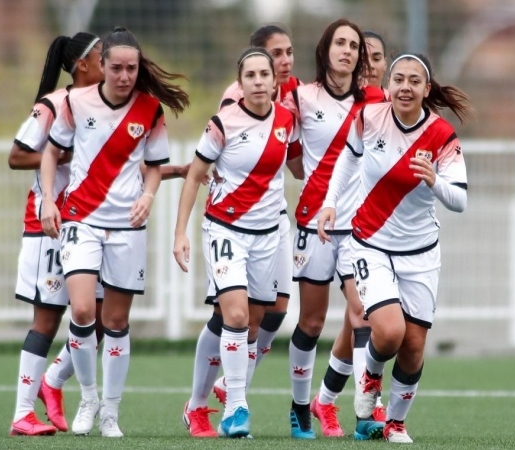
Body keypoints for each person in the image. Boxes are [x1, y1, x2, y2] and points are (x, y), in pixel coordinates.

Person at [40, 26, 190, 438]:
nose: (125, 76)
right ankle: (87, 397)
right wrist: (49, 200)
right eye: (117, 68)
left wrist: (150, 194)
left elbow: (156, 164)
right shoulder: (76, 102)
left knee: (117, 320)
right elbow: (51, 152)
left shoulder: (150, 110)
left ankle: (111, 412)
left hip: (127, 225)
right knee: (84, 312)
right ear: (101, 66)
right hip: (81, 219)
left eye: (132, 68)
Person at [317, 53, 472, 443]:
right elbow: (347, 162)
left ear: (427, 88)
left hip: (421, 252)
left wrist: (435, 181)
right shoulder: (369, 118)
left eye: (414, 81)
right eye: (398, 79)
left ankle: (396, 423)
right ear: (388, 85)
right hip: (370, 243)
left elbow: (460, 200)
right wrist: (331, 203)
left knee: (414, 346)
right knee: (388, 332)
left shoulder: (442, 136)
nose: (405, 87)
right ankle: (369, 379)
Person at [182, 24, 303, 439]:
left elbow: (301, 165)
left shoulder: (289, 117)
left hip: (270, 231)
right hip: (226, 229)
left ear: (274, 82)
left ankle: (222, 396)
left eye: (265, 74)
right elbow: (197, 172)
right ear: (242, 78)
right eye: (251, 74)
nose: (259, 80)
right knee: (231, 315)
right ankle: (230, 407)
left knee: (258, 321)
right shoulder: (226, 118)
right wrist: (180, 233)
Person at [280, 19, 386, 439]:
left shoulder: (376, 100)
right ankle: (301, 406)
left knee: (362, 318)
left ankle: (364, 413)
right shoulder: (300, 97)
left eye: (354, 46)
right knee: (311, 322)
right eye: (340, 43)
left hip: (358, 226)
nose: (347, 51)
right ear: (325, 50)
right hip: (313, 223)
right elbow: (277, 140)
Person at [8, 32, 105, 437]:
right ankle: (22, 414)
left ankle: (52, 381)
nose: (109, 64)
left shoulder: (104, 107)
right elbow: (16, 155)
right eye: (103, 57)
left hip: (89, 225)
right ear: (82, 64)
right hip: (49, 227)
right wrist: (64, 152)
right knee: (47, 319)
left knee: (100, 321)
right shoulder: (53, 105)